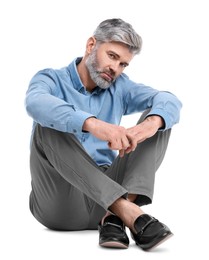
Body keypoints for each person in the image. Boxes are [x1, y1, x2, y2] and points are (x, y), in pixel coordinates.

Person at [25, 18, 182, 251]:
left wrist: (148, 125)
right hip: (60, 204)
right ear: (91, 45)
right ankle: (128, 211)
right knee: (46, 125)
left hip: (106, 200)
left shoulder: (119, 87)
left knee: (159, 119)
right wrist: (93, 124)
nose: (115, 69)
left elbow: (168, 100)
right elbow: (35, 103)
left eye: (123, 64)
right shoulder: (51, 79)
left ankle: (115, 214)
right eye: (112, 56)